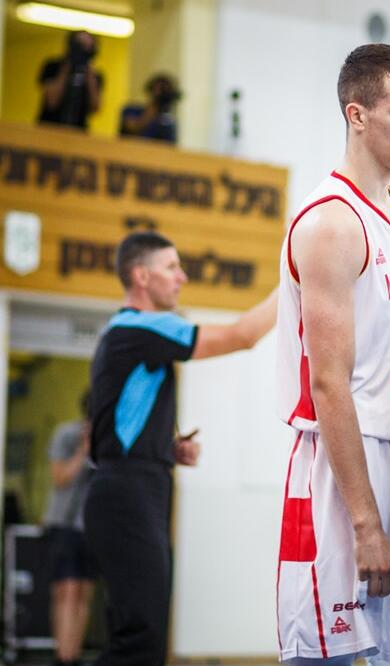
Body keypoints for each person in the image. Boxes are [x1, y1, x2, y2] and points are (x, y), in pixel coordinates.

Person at [274, 44, 390, 666]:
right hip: (342, 464)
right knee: (323, 656)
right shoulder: (330, 224)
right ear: (357, 115)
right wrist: (366, 524)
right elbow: (329, 385)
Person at [84, 231, 277, 666]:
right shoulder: (141, 326)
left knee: (143, 640)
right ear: (141, 276)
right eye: (171, 267)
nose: (182, 277)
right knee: (139, 644)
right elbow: (244, 335)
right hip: (128, 494)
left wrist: (165, 448)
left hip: (132, 487)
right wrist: (297, 276)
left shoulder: (126, 335)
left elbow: (113, 424)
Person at [43, 390, 96, 666]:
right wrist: (83, 451)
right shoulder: (66, 434)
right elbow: (60, 478)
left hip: (91, 528)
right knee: (67, 591)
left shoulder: (109, 441)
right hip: (64, 524)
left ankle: (74, 656)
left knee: (84, 592)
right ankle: (62, 657)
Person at [37, 30, 103, 130]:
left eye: (88, 47)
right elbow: (51, 102)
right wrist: (66, 68)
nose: (83, 51)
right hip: (49, 127)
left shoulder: (95, 76)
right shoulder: (53, 67)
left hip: (79, 131)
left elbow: (95, 108)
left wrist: (89, 75)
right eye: (80, 45)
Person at [119, 73, 181, 144]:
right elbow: (132, 128)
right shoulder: (131, 110)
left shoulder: (168, 122)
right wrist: (151, 111)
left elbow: (169, 146)